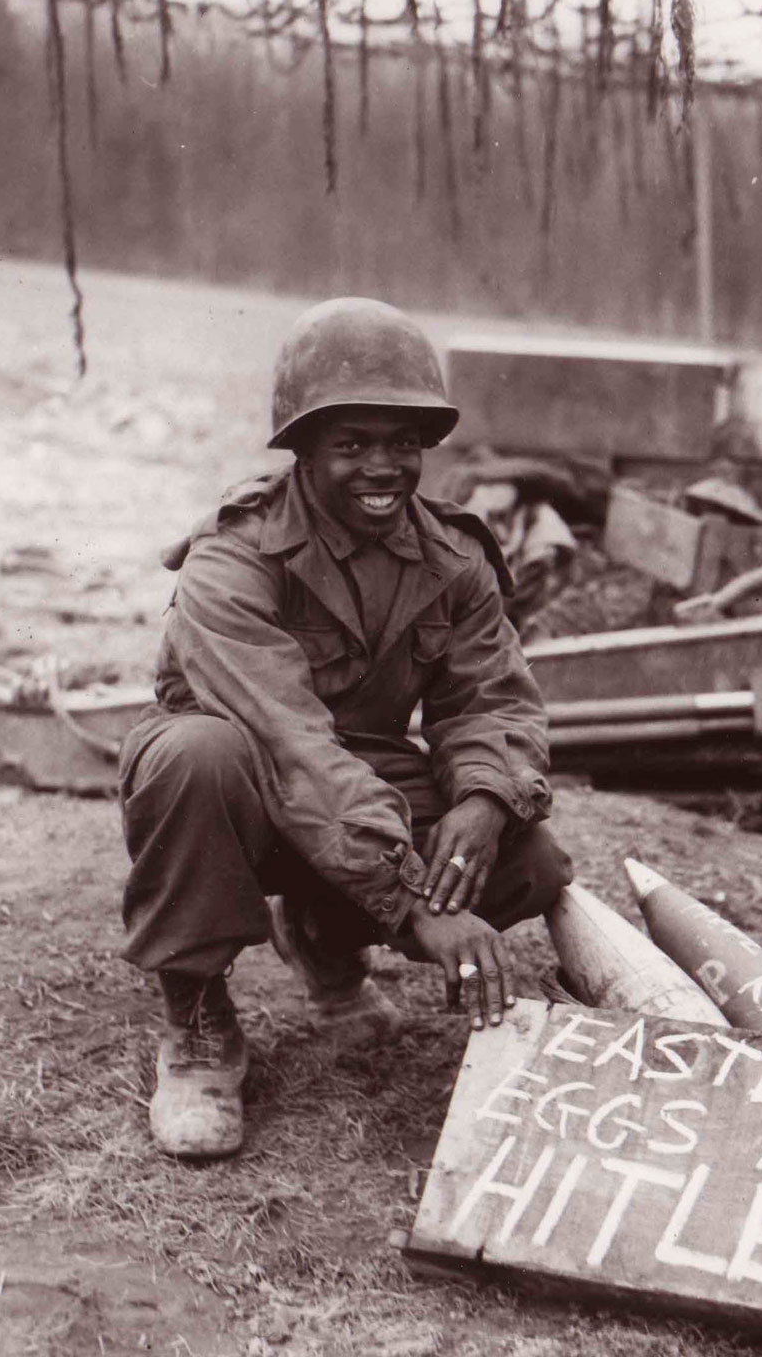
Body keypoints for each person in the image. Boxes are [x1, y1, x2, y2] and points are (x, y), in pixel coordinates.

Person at [118, 297, 572, 1161]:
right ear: (301, 449)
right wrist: (413, 899)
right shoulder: (234, 557)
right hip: (243, 775)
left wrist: (484, 800)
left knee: (529, 861)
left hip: (354, 782)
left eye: (402, 442)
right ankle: (197, 1016)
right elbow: (286, 741)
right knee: (195, 756)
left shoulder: (453, 558)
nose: (382, 466)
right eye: (351, 444)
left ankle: (324, 934)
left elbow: (491, 700)